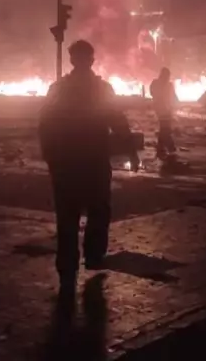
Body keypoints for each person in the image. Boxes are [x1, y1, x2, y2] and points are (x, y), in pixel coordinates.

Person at [39, 40, 139, 295]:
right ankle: (93, 256)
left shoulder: (58, 89)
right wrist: (131, 152)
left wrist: (51, 158)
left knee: (67, 213)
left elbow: (45, 126)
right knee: (98, 208)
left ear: (72, 60)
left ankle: (67, 263)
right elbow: (118, 122)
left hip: (66, 163)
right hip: (94, 160)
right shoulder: (102, 89)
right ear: (92, 60)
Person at [149, 67, 178, 159]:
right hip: (162, 109)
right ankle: (170, 147)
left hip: (165, 109)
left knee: (164, 128)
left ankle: (161, 148)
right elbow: (154, 93)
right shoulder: (158, 84)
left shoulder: (163, 84)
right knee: (166, 128)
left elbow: (173, 96)